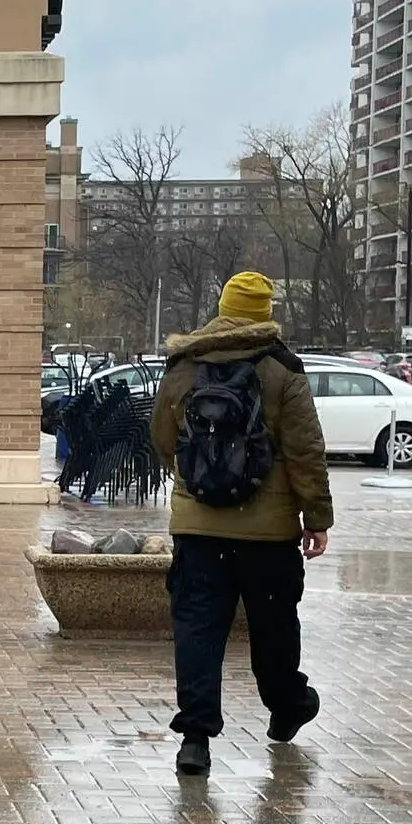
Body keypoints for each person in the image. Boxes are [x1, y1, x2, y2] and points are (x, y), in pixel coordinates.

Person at [150, 272, 333, 776]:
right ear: (265, 313)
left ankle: (194, 738)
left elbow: (165, 439)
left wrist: (195, 487)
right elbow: (304, 452)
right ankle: (286, 706)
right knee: (274, 628)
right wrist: (316, 517)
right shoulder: (282, 369)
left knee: (197, 631)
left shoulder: (184, 365)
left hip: (198, 532)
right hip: (269, 536)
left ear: (222, 307)